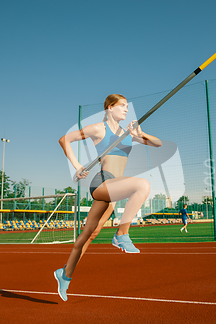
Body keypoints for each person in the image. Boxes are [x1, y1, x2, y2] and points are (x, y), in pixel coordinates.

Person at [54, 94, 161, 301]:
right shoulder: (99, 129)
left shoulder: (128, 133)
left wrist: (140, 133)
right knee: (142, 185)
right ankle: (122, 234)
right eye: (122, 106)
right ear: (109, 108)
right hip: (103, 182)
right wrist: (77, 166)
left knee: (88, 236)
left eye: (127, 107)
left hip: (113, 191)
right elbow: (64, 139)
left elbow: (157, 144)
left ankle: (64, 275)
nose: (126, 110)